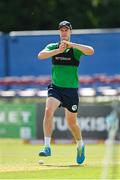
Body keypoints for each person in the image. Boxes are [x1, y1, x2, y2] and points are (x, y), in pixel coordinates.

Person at [37, 20, 94, 164]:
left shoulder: (75, 49)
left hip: (71, 90)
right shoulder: (53, 46)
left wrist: (71, 45)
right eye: (61, 30)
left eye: (66, 30)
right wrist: (58, 51)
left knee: (71, 123)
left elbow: (91, 51)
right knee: (48, 111)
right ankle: (47, 146)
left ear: (70, 32)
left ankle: (80, 145)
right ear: (59, 32)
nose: (64, 32)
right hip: (56, 88)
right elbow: (40, 55)